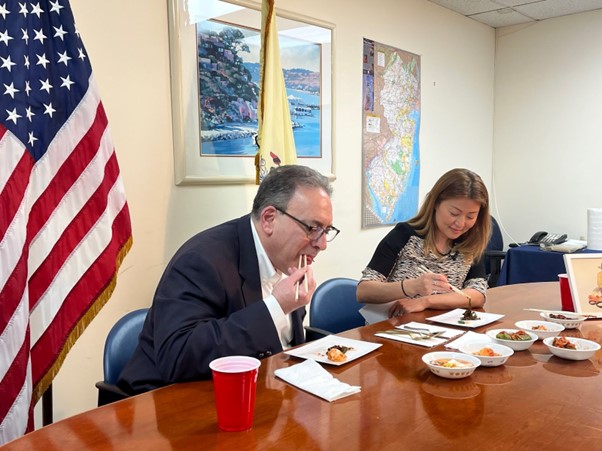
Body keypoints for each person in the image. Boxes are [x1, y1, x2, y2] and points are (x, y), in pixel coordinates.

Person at [118, 165, 338, 394]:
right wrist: (275, 307)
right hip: (166, 402)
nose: (321, 244)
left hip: (253, 393)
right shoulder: (202, 260)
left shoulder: (286, 259)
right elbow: (178, 356)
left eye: (326, 231)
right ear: (269, 219)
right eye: (313, 228)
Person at [357, 168, 491, 317]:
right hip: (395, 328)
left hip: (442, 328)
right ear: (435, 203)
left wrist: (426, 301)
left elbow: (478, 294)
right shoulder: (405, 235)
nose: (460, 223)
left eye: (471, 216)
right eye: (454, 213)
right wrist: (411, 287)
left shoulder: (469, 243)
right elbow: (363, 291)